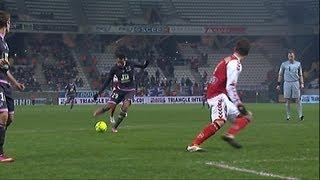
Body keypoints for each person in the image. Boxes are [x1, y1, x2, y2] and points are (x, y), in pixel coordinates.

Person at [186, 39, 252, 152]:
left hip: (219, 95)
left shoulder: (227, 60)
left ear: (235, 49)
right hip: (218, 95)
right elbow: (230, 86)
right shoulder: (235, 63)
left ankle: (229, 135)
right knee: (220, 121)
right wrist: (239, 104)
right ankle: (193, 144)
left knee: (246, 116)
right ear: (247, 53)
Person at [93, 54, 149, 132]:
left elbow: (142, 66)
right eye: (117, 62)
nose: (118, 63)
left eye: (120, 62)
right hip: (119, 90)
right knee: (108, 107)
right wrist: (99, 93)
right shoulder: (114, 68)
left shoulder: (130, 63)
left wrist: (146, 63)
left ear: (124, 59)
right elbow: (107, 81)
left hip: (130, 90)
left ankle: (114, 127)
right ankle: (94, 116)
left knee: (125, 107)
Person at [0, 10, 25, 162]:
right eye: (9, 22)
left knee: (9, 118)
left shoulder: (5, 44)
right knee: (2, 115)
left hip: (5, 83)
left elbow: (5, 68)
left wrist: (15, 83)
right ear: (5, 23)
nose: (11, 25)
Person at [276, 50, 304, 121]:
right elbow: (280, 74)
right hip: (287, 83)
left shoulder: (298, 64)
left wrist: (302, 83)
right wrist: (278, 84)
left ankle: (300, 115)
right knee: (287, 100)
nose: (290, 57)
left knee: (297, 99)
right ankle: (288, 116)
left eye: (291, 56)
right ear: (287, 56)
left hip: (295, 82)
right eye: (289, 56)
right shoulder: (284, 64)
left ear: (294, 56)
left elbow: (301, 74)